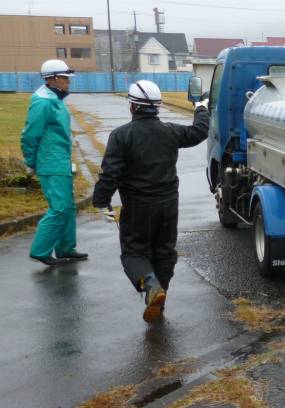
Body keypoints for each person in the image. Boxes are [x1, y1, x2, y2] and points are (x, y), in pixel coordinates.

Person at [92, 81, 209, 321]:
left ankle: (152, 288)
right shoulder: (171, 131)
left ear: (133, 106)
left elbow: (110, 174)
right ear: (157, 107)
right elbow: (198, 132)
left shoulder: (121, 135)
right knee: (164, 253)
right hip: (169, 205)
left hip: (137, 207)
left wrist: (101, 201)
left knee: (134, 254)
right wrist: (201, 108)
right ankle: (159, 297)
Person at [20, 59, 88, 266]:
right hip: (50, 163)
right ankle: (40, 251)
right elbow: (30, 135)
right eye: (66, 78)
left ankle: (66, 248)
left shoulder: (54, 98)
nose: (69, 82)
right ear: (54, 79)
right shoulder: (43, 101)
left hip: (60, 161)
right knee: (59, 208)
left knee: (68, 207)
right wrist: (31, 162)